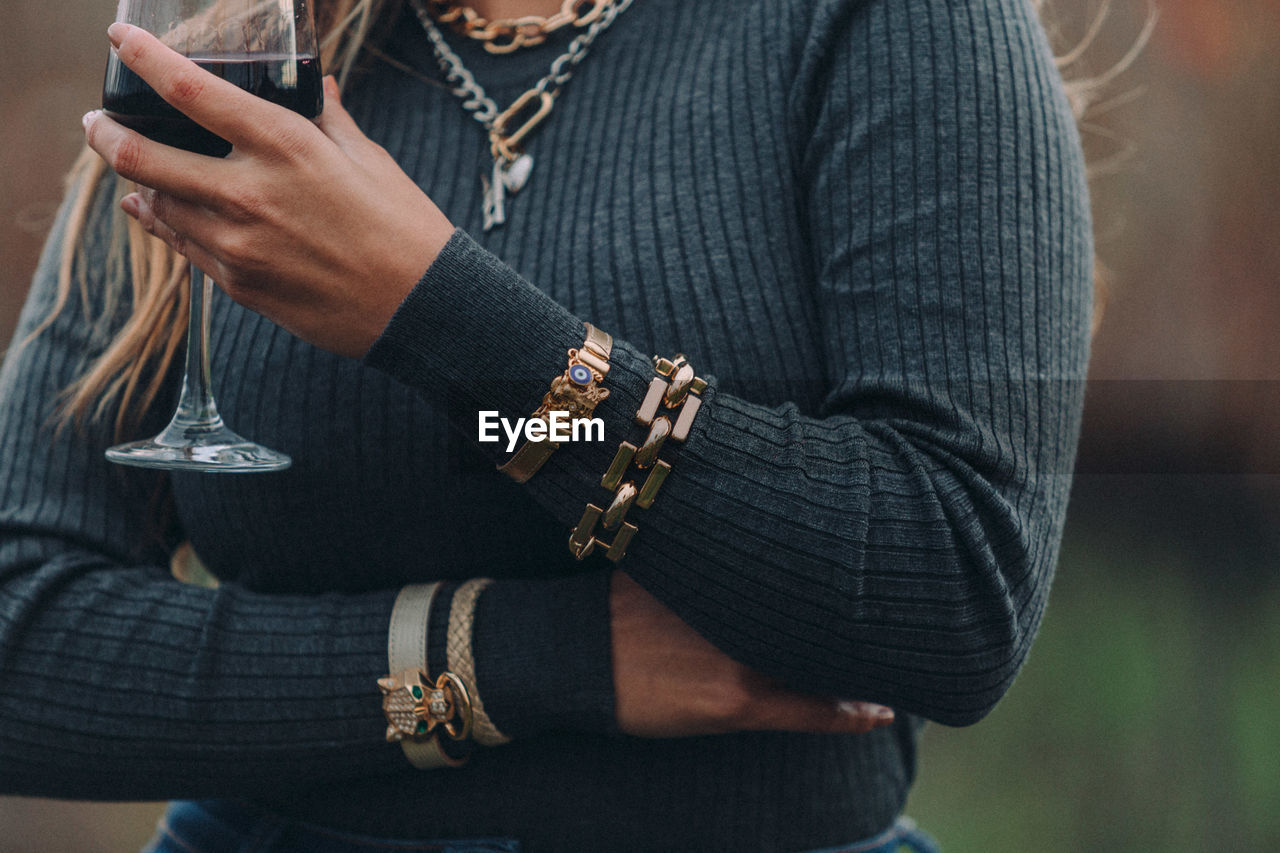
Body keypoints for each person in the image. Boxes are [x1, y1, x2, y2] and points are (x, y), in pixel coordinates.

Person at [0, 0, 1092, 850]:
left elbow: (951, 587)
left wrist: (438, 317)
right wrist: (532, 660)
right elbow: (21, 633)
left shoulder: (885, 27)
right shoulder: (242, 50)